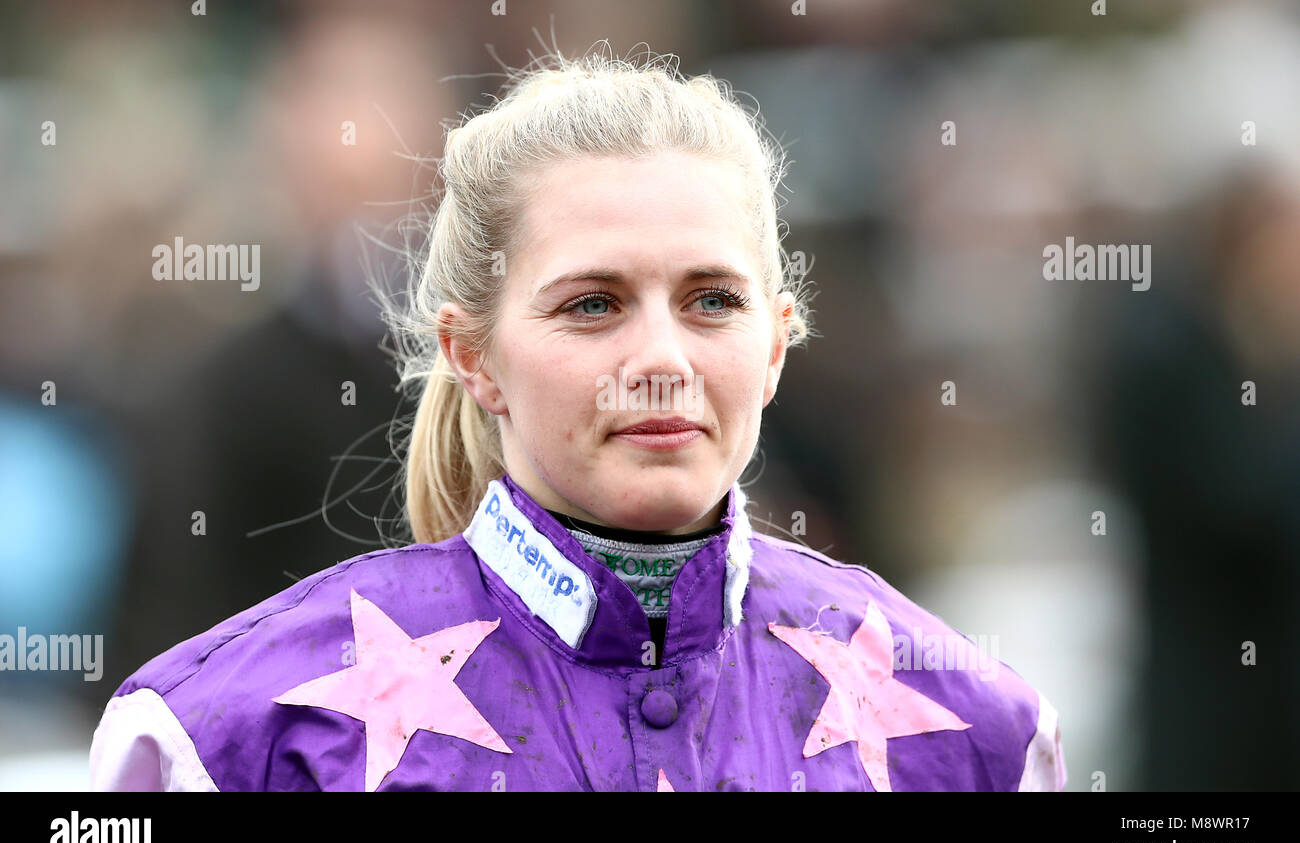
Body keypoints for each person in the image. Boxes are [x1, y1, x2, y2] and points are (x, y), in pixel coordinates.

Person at [89, 48, 1066, 792]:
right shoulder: (225, 736)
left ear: (775, 345)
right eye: (592, 303)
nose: (660, 359)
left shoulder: (974, 731)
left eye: (711, 300)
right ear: (474, 354)